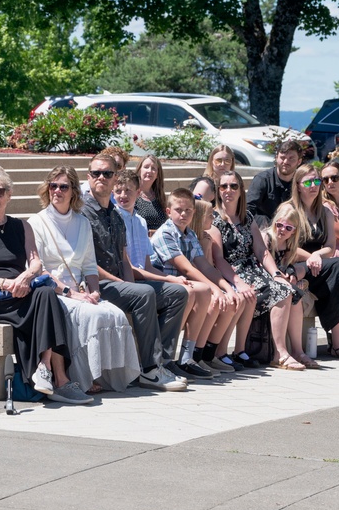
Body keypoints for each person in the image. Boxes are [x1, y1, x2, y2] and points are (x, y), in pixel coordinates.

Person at [0, 166, 89, 405]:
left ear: (9, 195)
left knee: (46, 293)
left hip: (23, 291)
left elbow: (35, 261)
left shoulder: (22, 226)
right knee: (47, 299)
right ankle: (56, 375)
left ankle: (45, 367)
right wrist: (8, 284)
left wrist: (25, 278)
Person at [29, 165, 141, 394]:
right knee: (92, 315)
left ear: (73, 192)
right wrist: (73, 294)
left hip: (81, 291)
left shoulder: (82, 223)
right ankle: (83, 377)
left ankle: (107, 376)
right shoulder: (36, 223)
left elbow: (90, 265)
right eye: (53, 186)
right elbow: (39, 271)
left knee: (113, 313)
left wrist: (94, 291)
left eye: (63, 186)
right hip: (56, 293)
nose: (57, 191)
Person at [82, 155, 189, 390]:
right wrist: (127, 285)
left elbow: (123, 258)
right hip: (96, 285)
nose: (101, 178)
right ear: (88, 177)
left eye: (107, 174)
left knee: (177, 293)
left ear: (114, 178)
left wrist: (130, 285)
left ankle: (163, 362)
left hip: (120, 284)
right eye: (96, 173)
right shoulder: (83, 213)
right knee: (143, 294)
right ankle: (150, 370)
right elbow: (87, 263)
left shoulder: (115, 215)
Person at [115, 170, 222, 377]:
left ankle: (187, 356)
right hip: (132, 281)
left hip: (148, 278)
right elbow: (131, 268)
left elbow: (146, 266)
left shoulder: (140, 221)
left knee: (203, 290)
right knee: (186, 291)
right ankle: (165, 358)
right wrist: (168, 279)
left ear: (138, 192)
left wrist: (221, 287)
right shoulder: (115, 219)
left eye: (128, 190)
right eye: (118, 190)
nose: (123, 195)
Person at [151, 190, 245, 375]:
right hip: (164, 284)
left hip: (183, 285)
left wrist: (227, 288)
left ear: (194, 212)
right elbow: (186, 268)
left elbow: (206, 267)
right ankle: (170, 358)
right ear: (169, 211)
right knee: (203, 291)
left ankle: (193, 357)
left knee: (226, 297)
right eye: (179, 210)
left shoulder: (190, 235)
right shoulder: (165, 234)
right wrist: (214, 289)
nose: (184, 214)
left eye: (188, 210)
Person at [211, 170, 296, 369]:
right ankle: (240, 350)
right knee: (250, 294)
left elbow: (261, 251)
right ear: (218, 190)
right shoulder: (215, 219)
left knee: (284, 289)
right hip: (230, 272)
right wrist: (238, 283)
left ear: (241, 190)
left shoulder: (247, 217)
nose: (228, 190)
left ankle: (277, 352)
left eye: (233, 186)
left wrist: (276, 274)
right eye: (224, 186)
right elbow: (218, 259)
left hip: (253, 269)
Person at [289, 163, 339, 359]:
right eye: (308, 182)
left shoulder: (323, 212)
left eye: (316, 181)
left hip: (321, 265)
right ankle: (337, 345)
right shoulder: (290, 210)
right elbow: (286, 245)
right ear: (298, 185)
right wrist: (311, 257)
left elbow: (330, 247)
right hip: (297, 263)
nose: (314, 185)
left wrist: (318, 255)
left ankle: (337, 345)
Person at [262, 203, 320, 368]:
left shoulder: (289, 246)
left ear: (294, 231)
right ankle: (280, 353)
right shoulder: (267, 238)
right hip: (261, 283)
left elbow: (309, 258)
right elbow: (261, 269)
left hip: (279, 286)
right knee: (289, 293)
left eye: (288, 228)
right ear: (274, 223)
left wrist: (295, 276)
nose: (282, 230)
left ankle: (297, 350)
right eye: (279, 225)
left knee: (296, 295)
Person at [246, 139, 302, 225]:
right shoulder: (262, 179)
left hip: (292, 227)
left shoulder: (301, 181)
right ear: (276, 158)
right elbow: (249, 208)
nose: (286, 162)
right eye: (282, 158)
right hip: (264, 228)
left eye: (291, 158)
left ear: (299, 161)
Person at [134, 154, 168, 232]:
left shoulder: (160, 196)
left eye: (153, 168)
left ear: (157, 174)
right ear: (139, 170)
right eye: (146, 167)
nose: (149, 171)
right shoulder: (133, 194)